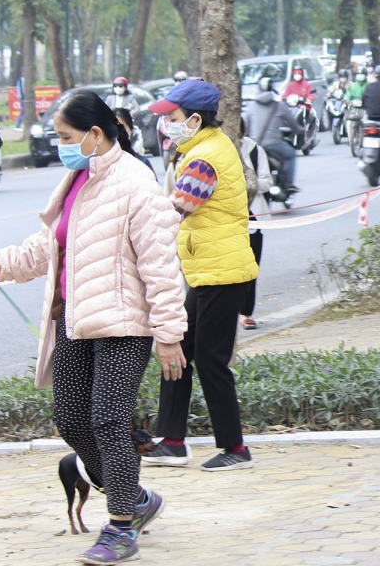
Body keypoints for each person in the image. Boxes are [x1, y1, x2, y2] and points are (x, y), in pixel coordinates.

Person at [0, 90, 187, 565]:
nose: (60, 145)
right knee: (72, 419)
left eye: (66, 136)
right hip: (72, 319)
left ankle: (119, 527)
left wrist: (169, 334)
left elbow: (160, 265)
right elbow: (52, 243)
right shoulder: (76, 177)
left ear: (96, 133)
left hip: (123, 325)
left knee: (110, 421)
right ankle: (134, 498)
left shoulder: (136, 183)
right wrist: (7, 262)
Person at [143, 79, 259, 473]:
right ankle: (172, 441)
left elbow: (175, 211)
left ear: (194, 119)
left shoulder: (203, 161)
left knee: (210, 360)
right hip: (208, 268)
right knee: (179, 352)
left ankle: (235, 448)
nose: (166, 125)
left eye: (171, 118)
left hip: (220, 272)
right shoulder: (207, 147)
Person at [237, 118, 273, 331]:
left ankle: (246, 313)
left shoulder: (255, 151)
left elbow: (267, 182)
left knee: (251, 267)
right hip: (226, 219)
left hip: (253, 218)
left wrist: (247, 183)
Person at [243, 78, 304, 193]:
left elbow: (245, 127)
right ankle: (288, 184)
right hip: (275, 144)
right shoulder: (279, 106)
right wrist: (299, 129)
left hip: (255, 146)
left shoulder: (251, 107)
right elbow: (293, 124)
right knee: (291, 154)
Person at [113, 108, 155, 173]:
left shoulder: (142, 163)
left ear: (131, 130)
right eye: (113, 128)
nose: (118, 133)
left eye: (122, 128)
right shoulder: (98, 167)